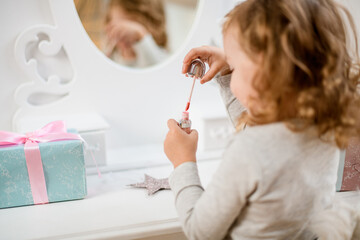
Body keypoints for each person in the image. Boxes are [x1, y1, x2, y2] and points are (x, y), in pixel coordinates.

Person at [164, 0, 360, 239]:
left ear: (264, 79)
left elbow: (200, 231)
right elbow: (259, 130)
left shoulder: (248, 152)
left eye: (235, 66)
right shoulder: (325, 125)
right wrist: (228, 72)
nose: (230, 68)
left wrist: (183, 162)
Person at [104, 0, 168, 68]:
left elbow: (156, 68)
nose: (123, 34)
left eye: (130, 27)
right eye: (117, 28)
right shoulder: (112, 58)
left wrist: (140, 34)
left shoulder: (162, 57)